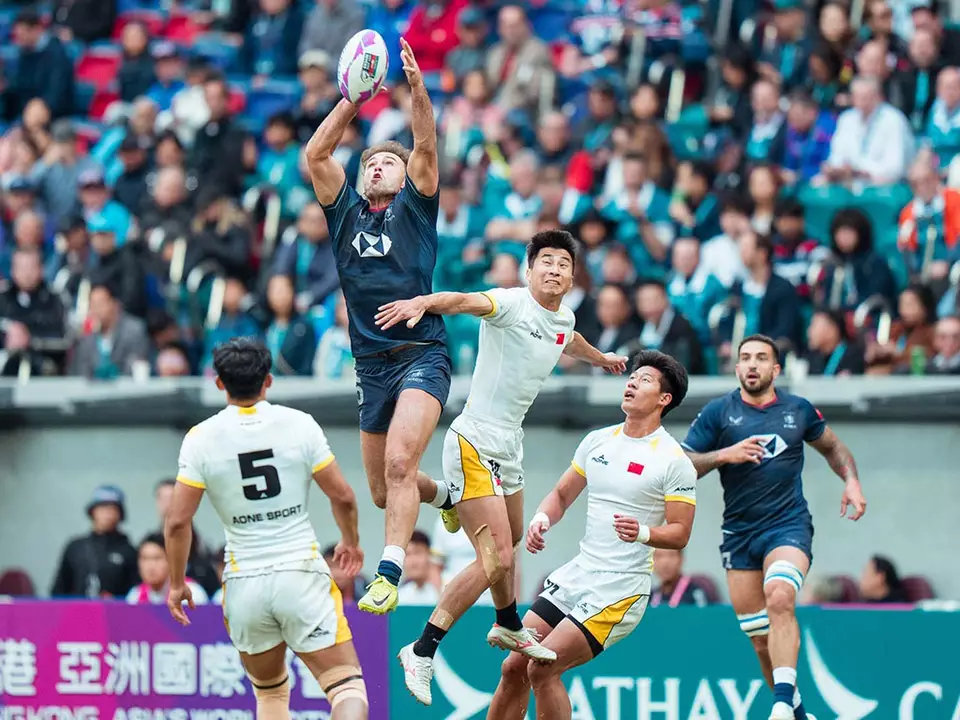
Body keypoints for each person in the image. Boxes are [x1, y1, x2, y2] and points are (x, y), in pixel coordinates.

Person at [380, 231, 626, 705]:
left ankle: (507, 621)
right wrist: (423, 303)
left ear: (573, 277)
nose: (555, 269)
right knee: (496, 559)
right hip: (473, 440)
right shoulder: (510, 303)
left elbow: (568, 339)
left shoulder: (564, 317)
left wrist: (601, 359)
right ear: (528, 271)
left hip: (510, 446)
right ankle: (422, 648)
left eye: (563, 264)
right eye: (546, 261)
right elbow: (462, 301)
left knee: (510, 540)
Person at [306, 39, 456, 614]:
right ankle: (446, 496)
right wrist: (353, 97)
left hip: (422, 353)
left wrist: (417, 89)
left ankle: (389, 573)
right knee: (380, 490)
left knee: (398, 466)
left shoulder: (416, 206)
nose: (376, 165)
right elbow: (317, 155)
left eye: (387, 161)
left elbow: (425, 144)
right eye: (370, 162)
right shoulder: (344, 213)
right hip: (370, 366)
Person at [164, 338, 369, 719]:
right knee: (345, 686)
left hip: (244, 582)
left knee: (271, 694)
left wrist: (177, 583)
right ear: (269, 380)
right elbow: (342, 496)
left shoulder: (200, 438)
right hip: (300, 572)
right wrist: (350, 541)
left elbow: (177, 522)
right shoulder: (299, 424)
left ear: (219, 383)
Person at [486, 351, 696, 720]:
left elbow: (680, 533)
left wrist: (643, 532)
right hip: (579, 574)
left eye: (645, 380)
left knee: (543, 668)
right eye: (633, 377)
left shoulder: (673, 460)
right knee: (514, 666)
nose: (632, 383)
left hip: (620, 589)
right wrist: (541, 519)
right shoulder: (598, 440)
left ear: (664, 399)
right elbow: (561, 495)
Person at [682, 334, 868, 720]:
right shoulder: (719, 413)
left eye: (761, 358)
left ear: (775, 368)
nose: (752, 364)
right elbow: (682, 465)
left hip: (788, 526)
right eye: (746, 358)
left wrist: (851, 481)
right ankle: (797, 713)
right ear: (737, 367)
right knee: (760, 641)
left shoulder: (798, 410)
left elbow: (833, 448)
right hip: (739, 535)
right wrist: (724, 455)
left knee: (780, 596)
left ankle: (781, 705)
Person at [51, 485, 139, 598]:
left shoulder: (129, 552)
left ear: (120, 514)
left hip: (114, 609)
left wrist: (116, 602)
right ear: (92, 511)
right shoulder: (76, 547)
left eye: (113, 508)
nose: (107, 513)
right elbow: (59, 590)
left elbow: (136, 595)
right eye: (102, 507)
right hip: (77, 608)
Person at [126, 534, 209, 605]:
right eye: (145, 559)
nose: (150, 566)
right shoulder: (135, 596)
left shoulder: (190, 593)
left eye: (157, 558)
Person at [397, 530, 441, 606]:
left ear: (429, 554)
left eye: (418, 552)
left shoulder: (450, 585)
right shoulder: (401, 596)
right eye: (407, 554)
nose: (413, 561)